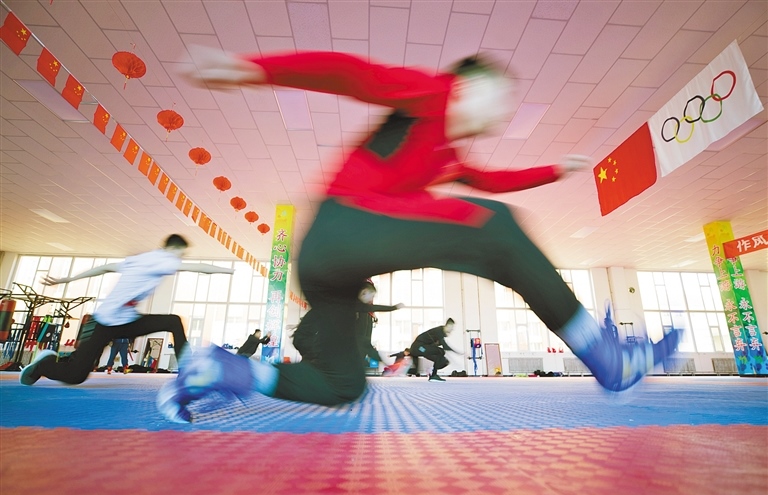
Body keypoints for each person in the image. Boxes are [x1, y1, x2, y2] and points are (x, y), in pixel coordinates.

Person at [156, 48, 682, 423]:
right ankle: (605, 357)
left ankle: (219, 369)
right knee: (496, 225)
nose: (504, 113)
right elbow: (352, 74)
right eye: (501, 99)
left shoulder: (446, 152)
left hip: (330, 269)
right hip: (342, 226)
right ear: (470, 86)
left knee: (342, 386)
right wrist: (254, 69)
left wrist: (553, 171)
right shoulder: (434, 93)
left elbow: (489, 181)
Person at [20, 234, 234, 386]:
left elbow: (105, 267)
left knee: (173, 321)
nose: (180, 259)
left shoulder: (140, 259)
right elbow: (197, 268)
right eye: (181, 254)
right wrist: (228, 270)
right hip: (105, 323)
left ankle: (186, 371)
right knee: (76, 376)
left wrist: (68, 279)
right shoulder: (164, 260)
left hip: (126, 321)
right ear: (174, 250)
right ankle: (44, 365)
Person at [355, 281, 404, 367]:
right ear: (364, 293)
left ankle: (387, 364)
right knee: (365, 346)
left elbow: (374, 307)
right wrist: (394, 307)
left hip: (358, 338)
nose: (371, 299)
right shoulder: (357, 305)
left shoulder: (360, 306)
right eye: (371, 296)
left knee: (365, 346)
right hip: (355, 337)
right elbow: (375, 307)